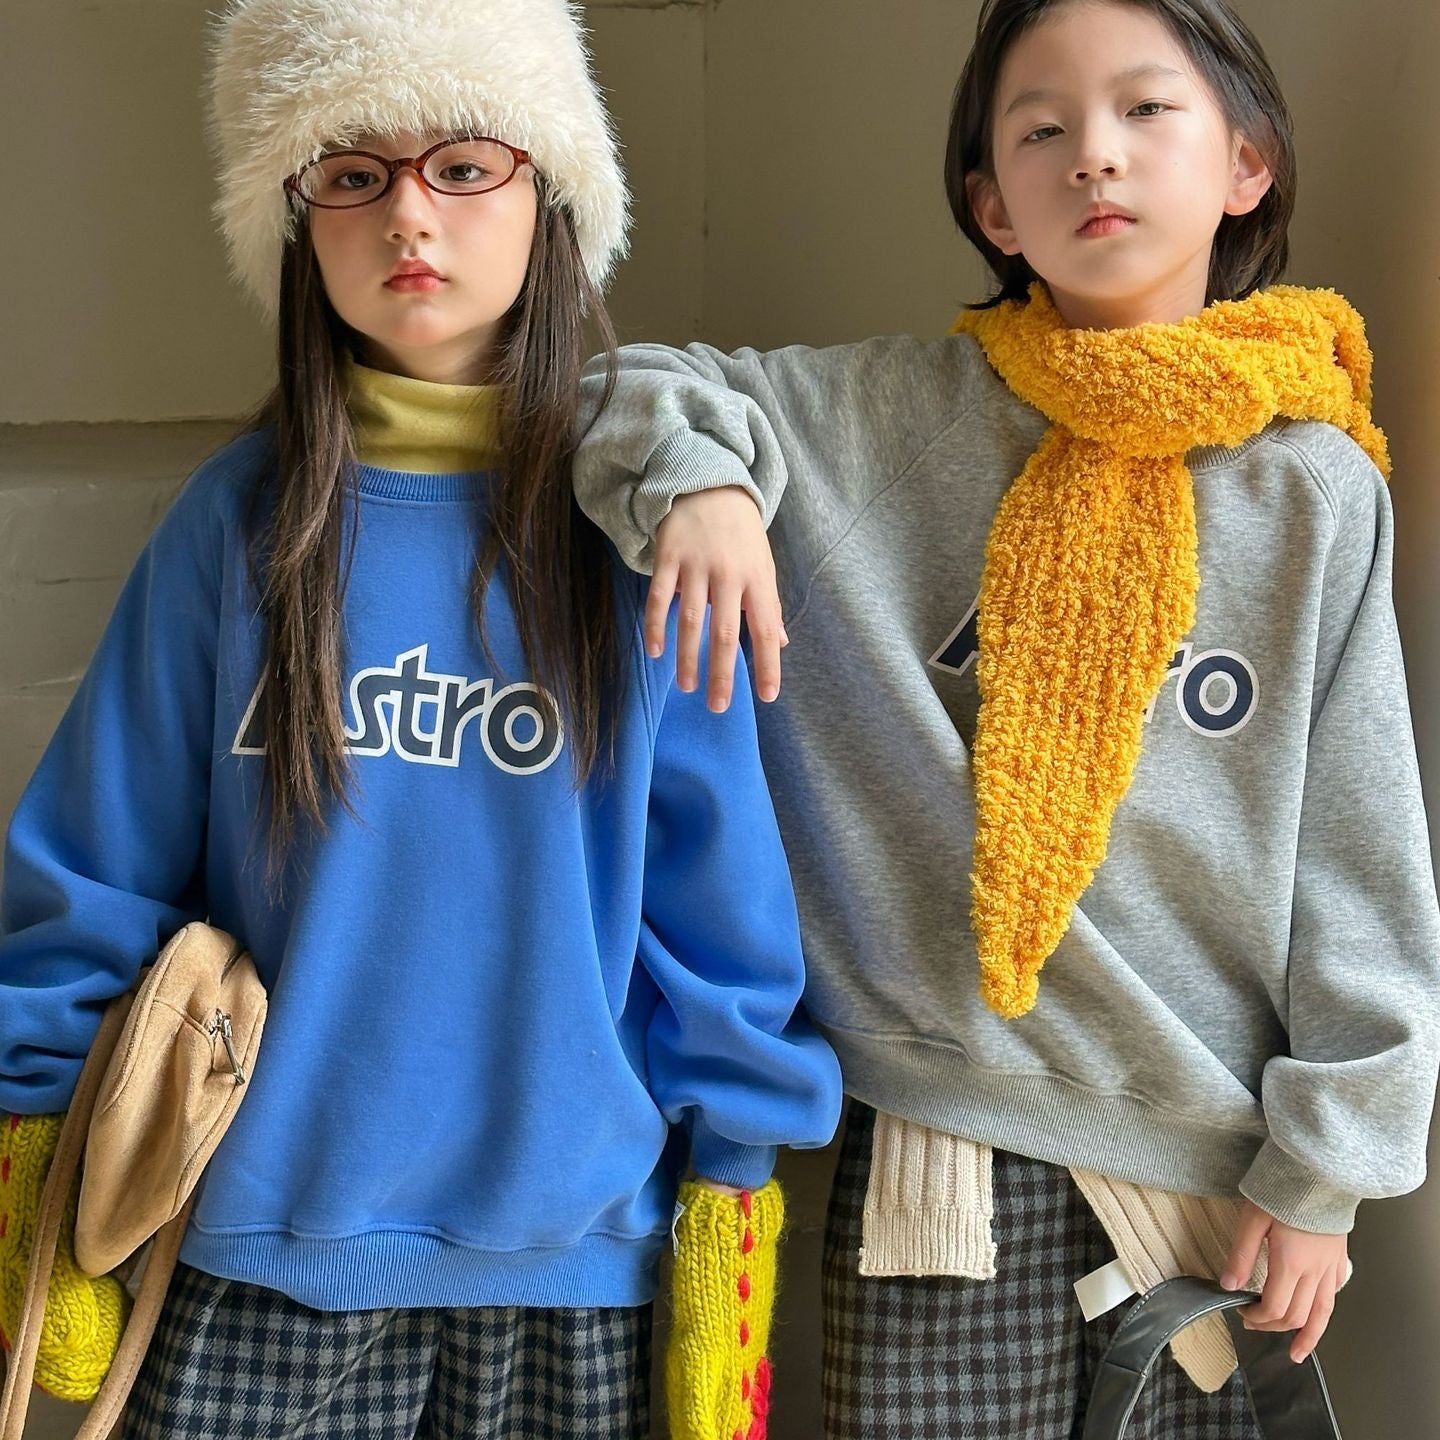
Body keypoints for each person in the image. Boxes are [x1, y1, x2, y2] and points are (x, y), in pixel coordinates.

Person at [570, 0, 1440, 1434]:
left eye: (1146, 110)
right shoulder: (889, 420)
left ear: (1247, 163)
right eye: (1042, 129)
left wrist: (1326, 1172)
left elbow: (1360, 858)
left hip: (1212, 1180)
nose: (1095, 154)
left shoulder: (1313, 488)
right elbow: (623, 385)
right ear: (992, 204)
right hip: (937, 1151)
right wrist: (701, 487)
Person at [0, 2, 841, 1436]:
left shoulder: (643, 535)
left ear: (549, 197)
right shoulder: (235, 525)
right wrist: (42, 1164)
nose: (409, 213)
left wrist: (731, 1199)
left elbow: (724, 918)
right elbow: (92, 868)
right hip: (252, 1256)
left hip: (579, 1274)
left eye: (463, 165)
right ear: (296, 221)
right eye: (353, 172)